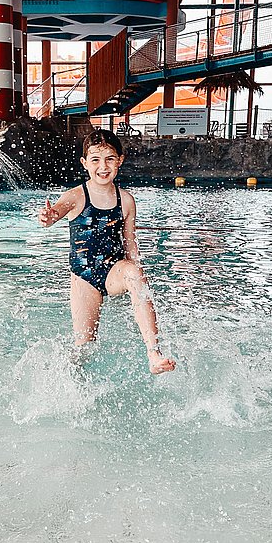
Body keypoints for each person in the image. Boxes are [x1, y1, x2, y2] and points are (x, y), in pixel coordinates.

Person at [38, 129, 176, 375]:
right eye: (95, 160)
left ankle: (154, 353)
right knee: (84, 347)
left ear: (120, 160)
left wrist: (138, 285)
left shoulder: (126, 200)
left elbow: (130, 244)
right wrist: (48, 217)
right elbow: (54, 214)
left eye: (110, 159)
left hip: (115, 270)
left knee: (134, 272)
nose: (103, 166)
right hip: (84, 277)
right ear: (85, 163)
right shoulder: (76, 196)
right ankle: (64, 380)